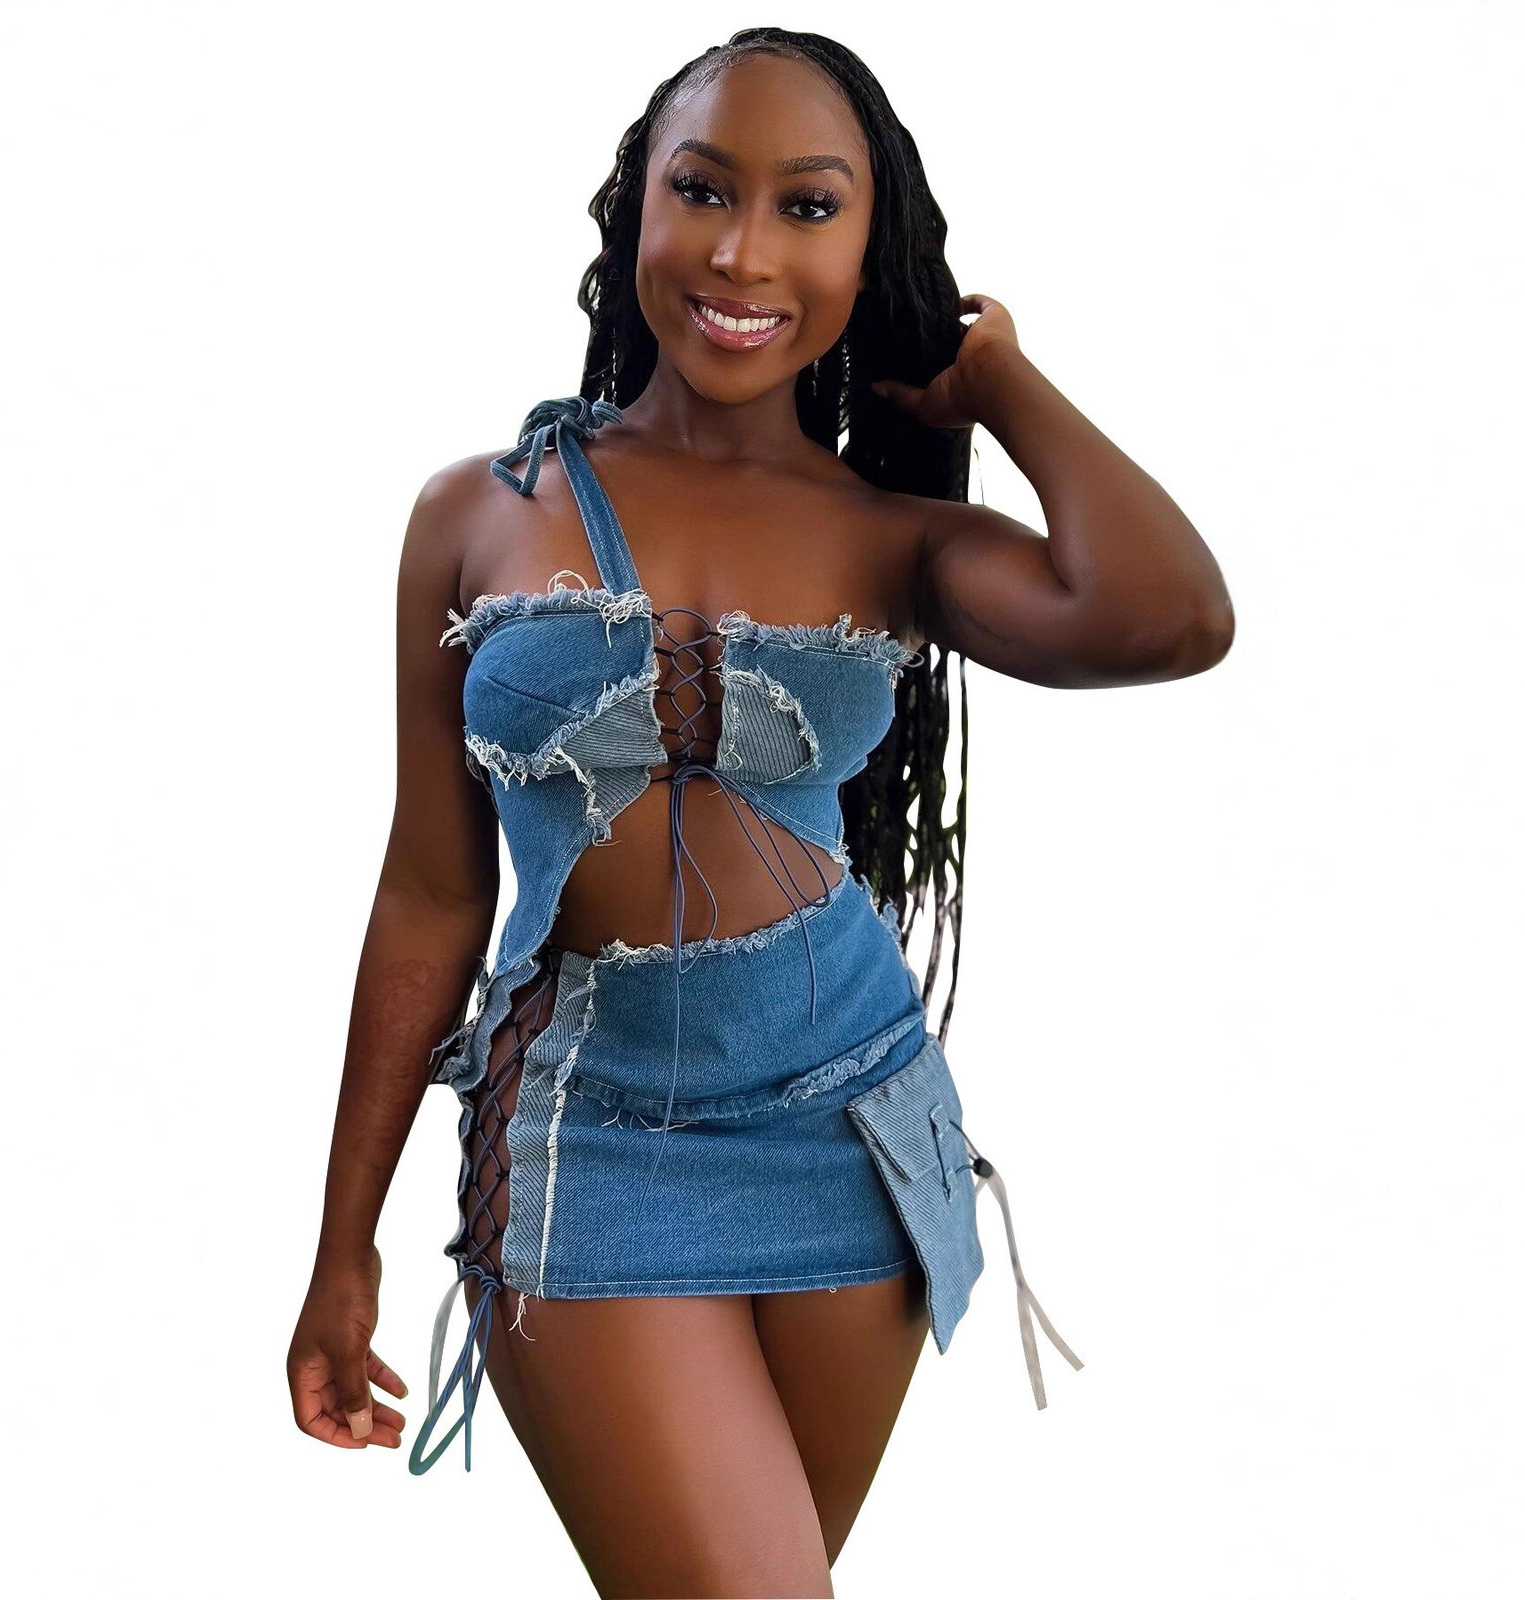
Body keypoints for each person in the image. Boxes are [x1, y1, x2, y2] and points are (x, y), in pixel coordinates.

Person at [287, 26, 1233, 1596]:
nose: (742, 252)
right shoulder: (479, 513)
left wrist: (1001, 382)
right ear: (633, 210)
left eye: (808, 206)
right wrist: (344, 1244)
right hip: (590, 1138)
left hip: (854, 1124)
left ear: (871, 249)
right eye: (703, 190)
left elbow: (1173, 618)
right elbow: (431, 892)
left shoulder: (894, 537)